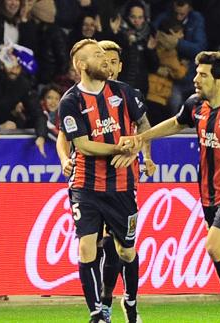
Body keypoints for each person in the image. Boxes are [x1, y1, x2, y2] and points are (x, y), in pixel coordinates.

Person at [119, 51, 220, 323]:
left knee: (214, 246)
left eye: (202, 74)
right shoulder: (196, 105)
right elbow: (175, 123)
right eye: (197, 73)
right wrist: (141, 137)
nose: (195, 78)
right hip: (207, 195)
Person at [59, 38, 152, 323]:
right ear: (81, 65)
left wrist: (137, 147)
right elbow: (83, 145)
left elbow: (145, 126)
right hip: (85, 185)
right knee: (87, 246)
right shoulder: (70, 101)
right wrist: (120, 148)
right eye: (98, 55)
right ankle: (98, 313)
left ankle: (131, 301)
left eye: (107, 55)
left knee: (125, 250)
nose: (105, 60)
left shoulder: (125, 93)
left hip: (122, 185)